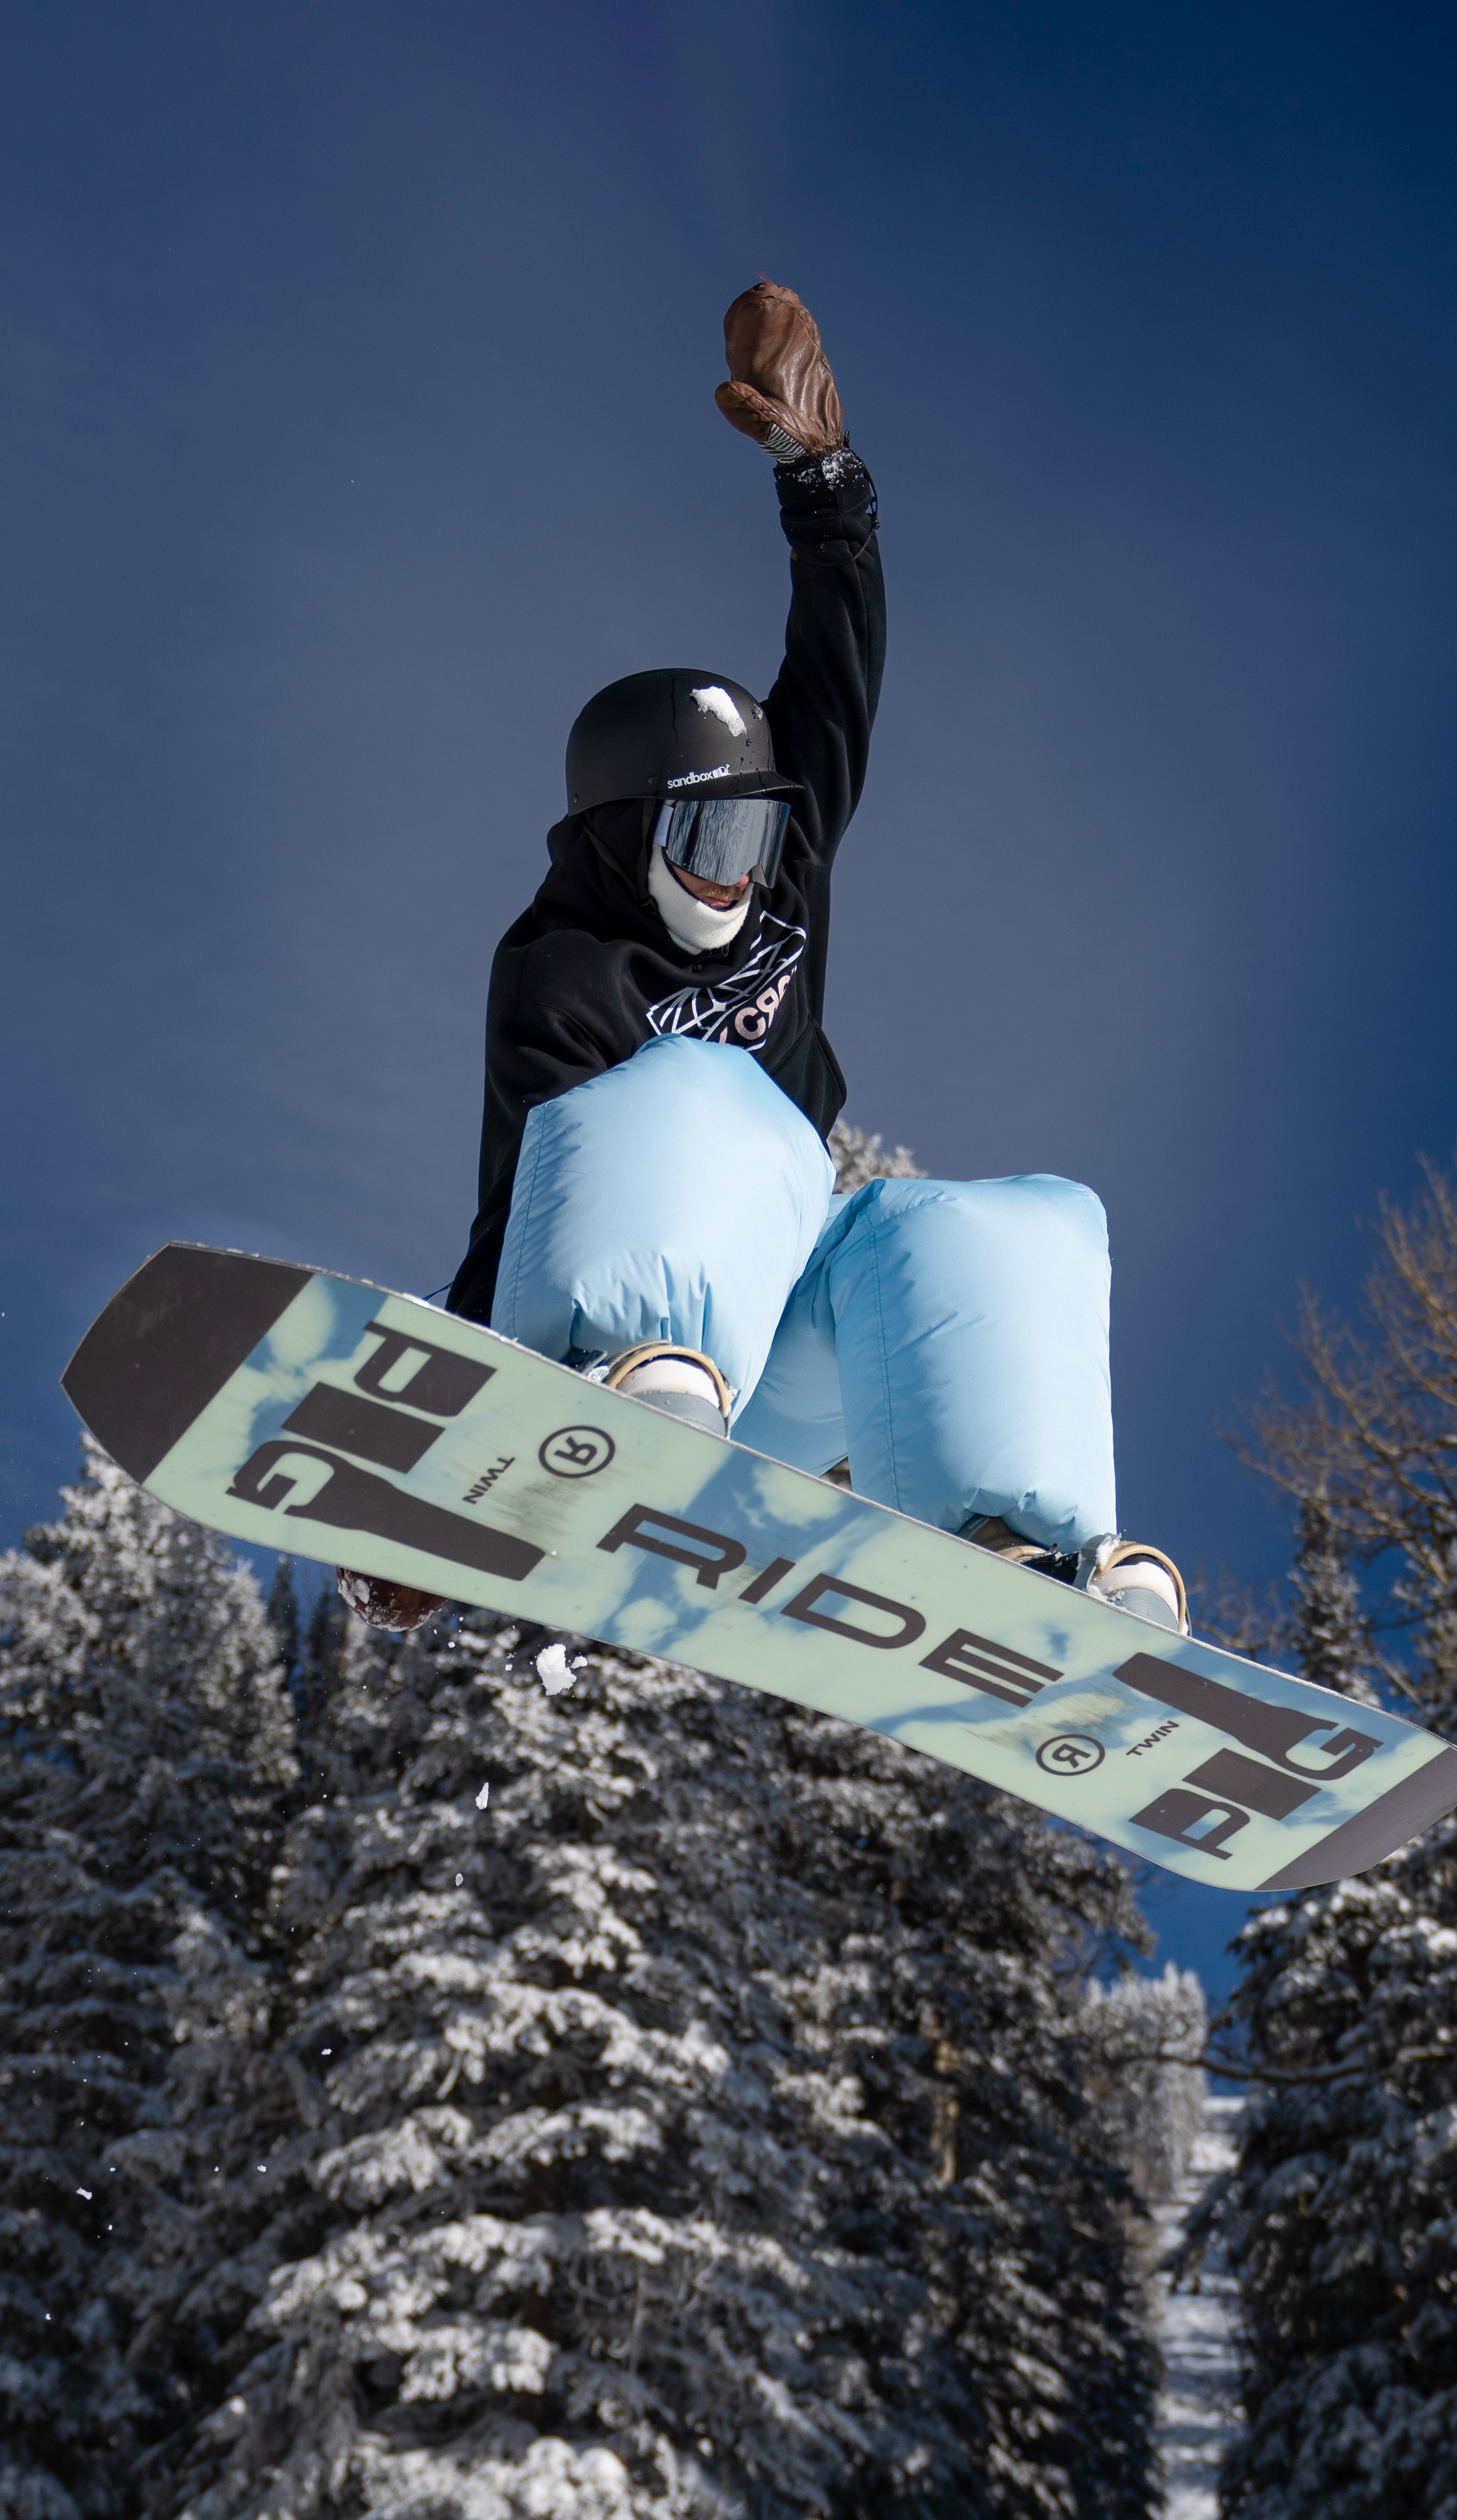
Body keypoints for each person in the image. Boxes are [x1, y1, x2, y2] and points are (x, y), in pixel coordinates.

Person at [342, 280, 1185, 1638]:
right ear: (621, 839)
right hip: (586, 1334)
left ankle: (1018, 1543)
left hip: (778, 1350)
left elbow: (837, 656)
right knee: (697, 1099)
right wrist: (445, 1483)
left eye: (754, 832)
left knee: (975, 1226)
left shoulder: (782, 871)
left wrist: (823, 476)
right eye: (700, 834)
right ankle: (630, 1388)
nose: (734, 871)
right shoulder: (564, 970)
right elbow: (525, 1208)